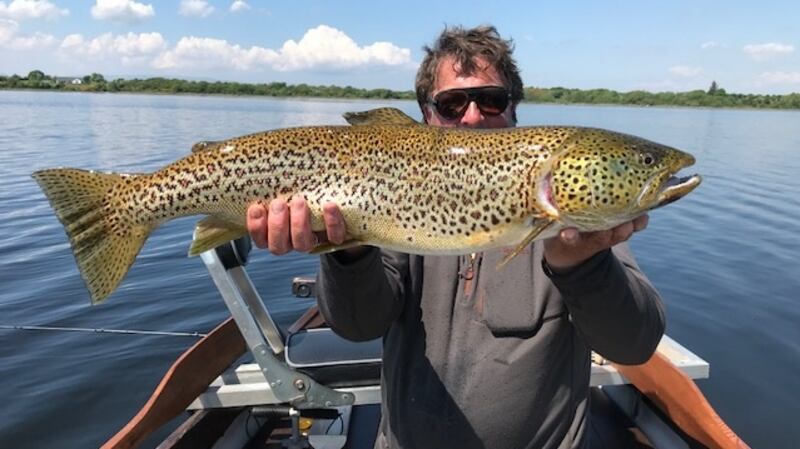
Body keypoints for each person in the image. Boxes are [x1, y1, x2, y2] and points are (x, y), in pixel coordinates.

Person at [246, 25, 664, 449]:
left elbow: (634, 345)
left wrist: (582, 265)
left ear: (514, 109)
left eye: (491, 99)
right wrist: (347, 252)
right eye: (451, 104)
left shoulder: (582, 227)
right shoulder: (391, 197)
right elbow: (358, 326)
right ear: (426, 116)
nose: (472, 116)